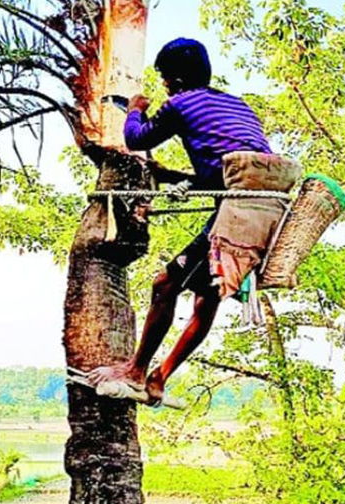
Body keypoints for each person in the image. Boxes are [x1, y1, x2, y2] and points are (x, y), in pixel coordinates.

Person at [88, 38, 273, 404]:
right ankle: (159, 378)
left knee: (165, 285)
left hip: (235, 211)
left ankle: (136, 371)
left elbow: (136, 138)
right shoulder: (239, 106)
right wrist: (171, 176)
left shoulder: (181, 102)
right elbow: (222, 175)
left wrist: (135, 110)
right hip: (264, 209)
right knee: (206, 298)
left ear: (172, 80)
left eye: (163, 78)